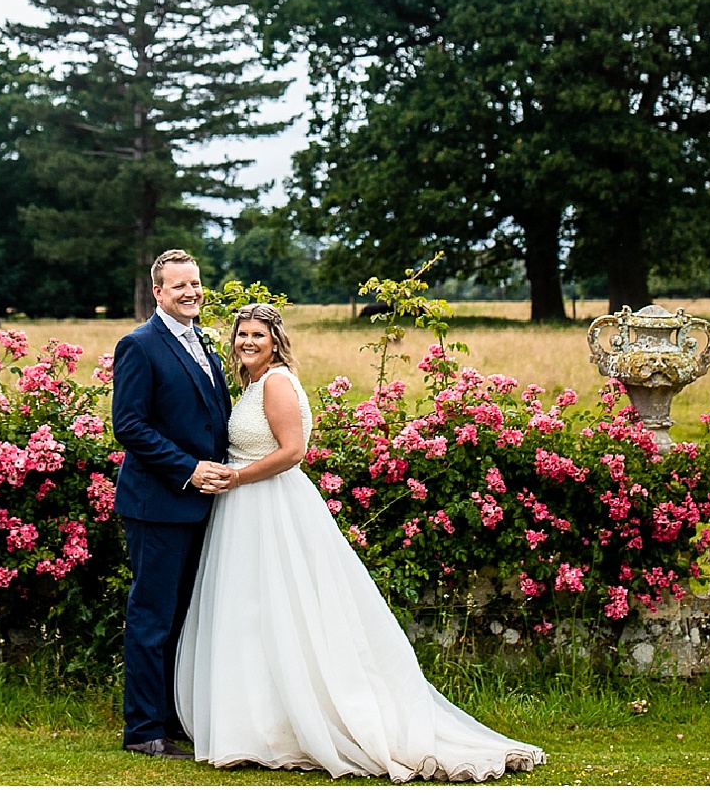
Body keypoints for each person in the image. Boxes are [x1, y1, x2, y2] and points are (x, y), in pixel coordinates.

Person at [174, 303, 545, 782]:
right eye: (242, 334)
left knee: (288, 612)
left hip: (269, 505)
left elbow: (292, 453)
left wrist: (237, 478)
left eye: (257, 335)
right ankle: (257, 723)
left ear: (275, 340)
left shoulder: (277, 382)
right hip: (245, 510)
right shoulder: (251, 384)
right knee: (255, 614)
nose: (248, 342)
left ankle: (305, 721)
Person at [108, 249, 234, 760]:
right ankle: (143, 731)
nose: (191, 292)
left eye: (196, 284)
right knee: (152, 618)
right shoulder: (139, 345)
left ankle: (170, 719)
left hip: (200, 504)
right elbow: (129, 426)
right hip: (158, 503)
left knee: (182, 618)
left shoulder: (202, 341)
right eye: (178, 285)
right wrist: (188, 469)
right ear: (157, 292)